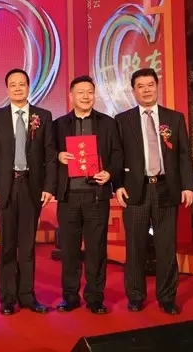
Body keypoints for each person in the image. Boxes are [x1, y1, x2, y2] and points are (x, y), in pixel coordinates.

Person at [114, 68, 193, 315]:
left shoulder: (174, 118)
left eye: (150, 85)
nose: (146, 90)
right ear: (133, 91)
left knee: (166, 246)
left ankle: (167, 297)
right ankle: (136, 295)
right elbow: (116, 156)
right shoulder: (122, 120)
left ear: (157, 87)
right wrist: (117, 185)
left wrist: (188, 186)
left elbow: (184, 156)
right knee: (135, 246)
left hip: (166, 188)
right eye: (141, 86)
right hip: (135, 191)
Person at [0, 69, 56, 315]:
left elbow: (50, 155)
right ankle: (7, 298)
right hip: (5, 188)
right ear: (7, 89)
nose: (17, 88)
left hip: (31, 187)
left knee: (27, 246)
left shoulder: (43, 116)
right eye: (13, 84)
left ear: (28, 86)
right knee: (6, 246)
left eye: (22, 84)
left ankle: (27, 295)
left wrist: (49, 187)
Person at [53, 75, 123, 314]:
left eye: (89, 92)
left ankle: (95, 297)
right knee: (69, 250)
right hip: (69, 196)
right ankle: (70, 296)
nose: (85, 96)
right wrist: (58, 156)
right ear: (71, 96)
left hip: (96, 195)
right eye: (80, 92)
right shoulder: (59, 124)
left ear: (94, 95)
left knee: (96, 249)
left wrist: (109, 173)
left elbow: (117, 154)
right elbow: (48, 153)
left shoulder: (107, 123)